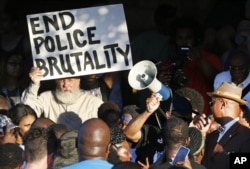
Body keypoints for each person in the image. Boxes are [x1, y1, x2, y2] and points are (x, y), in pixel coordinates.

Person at [21, 67, 104, 130]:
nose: (66, 84)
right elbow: (25, 114)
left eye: (70, 79)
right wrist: (34, 84)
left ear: (79, 80)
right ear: (56, 80)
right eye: (62, 80)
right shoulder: (46, 98)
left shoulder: (94, 102)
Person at [199, 82, 250, 169]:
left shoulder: (246, 136)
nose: (210, 107)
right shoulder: (211, 136)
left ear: (222, 104)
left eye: (212, 103)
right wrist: (201, 135)